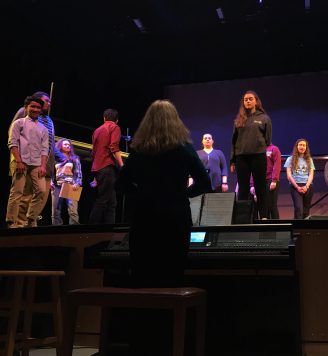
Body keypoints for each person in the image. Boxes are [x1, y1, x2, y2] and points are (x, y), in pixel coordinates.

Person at [117, 99, 211, 355]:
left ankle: (142, 345)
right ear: (175, 121)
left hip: (144, 222)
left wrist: (144, 195)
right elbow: (205, 183)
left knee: (143, 284)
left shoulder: (139, 150)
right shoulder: (184, 148)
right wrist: (180, 194)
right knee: (172, 282)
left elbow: (122, 185)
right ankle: (172, 344)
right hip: (175, 221)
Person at [9, 91, 64, 226]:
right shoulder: (24, 112)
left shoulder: (49, 121)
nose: (49, 103)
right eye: (46, 100)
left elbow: (49, 143)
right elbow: (13, 134)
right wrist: (18, 159)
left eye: (50, 101)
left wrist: (62, 157)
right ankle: (19, 223)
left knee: (42, 195)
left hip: (45, 164)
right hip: (26, 161)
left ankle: (31, 221)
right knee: (25, 195)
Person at [5, 96, 49, 228]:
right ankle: (11, 221)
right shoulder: (18, 123)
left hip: (36, 163)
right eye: (33, 106)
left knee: (41, 190)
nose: (35, 109)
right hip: (21, 161)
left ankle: (31, 218)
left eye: (38, 107)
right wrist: (18, 161)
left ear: (41, 110)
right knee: (17, 192)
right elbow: (12, 143)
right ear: (26, 107)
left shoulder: (43, 129)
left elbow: (44, 149)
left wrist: (43, 165)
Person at [230, 90, 272, 220]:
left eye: (250, 99)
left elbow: (267, 139)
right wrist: (233, 160)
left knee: (260, 188)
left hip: (258, 157)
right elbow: (234, 141)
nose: (247, 101)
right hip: (242, 158)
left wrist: (257, 147)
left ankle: (264, 216)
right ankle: (242, 218)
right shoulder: (239, 120)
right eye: (245, 99)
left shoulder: (264, 118)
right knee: (243, 188)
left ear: (256, 101)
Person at [89, 108, 124, 224]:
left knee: (112, 202)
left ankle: (110, 230)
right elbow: (113, 147)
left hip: (98, 167)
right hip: (107, 167)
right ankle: (91, 230)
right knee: (103, 200)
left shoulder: (97, 130)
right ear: (117, 120)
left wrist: (94, 173)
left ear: (104, 118)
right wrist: (122, 165)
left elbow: (93, 152)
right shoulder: (114, 127)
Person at [51, 139, 82, 225]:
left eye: (69, 145)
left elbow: (78, 172)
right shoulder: (55, 158)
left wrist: (77, 183)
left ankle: (74, 232)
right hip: (57, 186)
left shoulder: (74, 158)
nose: (68, 146)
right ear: (60, 145)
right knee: (55, 211)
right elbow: (51, 171)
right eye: (65, 144)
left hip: (70, 185)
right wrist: (50, 182)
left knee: (73, 211)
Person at [284, 138, 315, 219]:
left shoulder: (309, 159)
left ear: (306, 147)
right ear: (297, 147)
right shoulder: (290, 159)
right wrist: (297, 187)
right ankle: (297, 230)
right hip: (295, 185)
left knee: (306, 210)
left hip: (307, 186)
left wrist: (306, 186)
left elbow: (311, 174)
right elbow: (289, 175)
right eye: (300, 145)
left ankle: (305, 230)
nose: (302, 147)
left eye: (304, 145)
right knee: (298, 209)